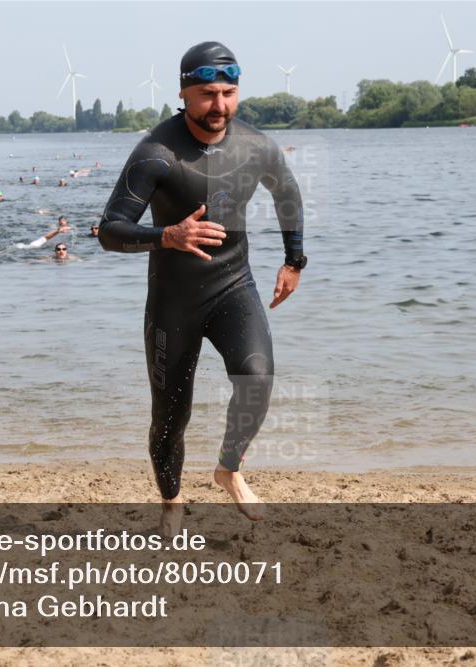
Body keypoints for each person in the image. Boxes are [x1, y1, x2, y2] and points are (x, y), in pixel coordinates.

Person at [98, 41, 305, 532]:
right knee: (171, 419)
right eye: (208, 93)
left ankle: (227, 470)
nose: (220, 106)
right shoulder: (156, 153)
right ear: (184, 93)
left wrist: (294, 261)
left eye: (229, 93)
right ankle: (171, 505)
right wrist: (167, 235)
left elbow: (288, 194)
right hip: (174, 300)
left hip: (234, 284)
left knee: (257, 379)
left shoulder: (256, 146)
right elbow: (109, 231)